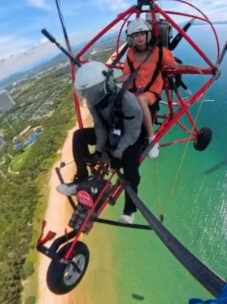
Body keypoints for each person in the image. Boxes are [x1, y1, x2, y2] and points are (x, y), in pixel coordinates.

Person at [57, 61, 147, 223]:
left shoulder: (129, 103)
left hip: (129, 138)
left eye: (94, 90)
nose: (91, 95)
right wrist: (99, 150)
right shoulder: (94, 102)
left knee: (131, 171)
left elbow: (132, 133)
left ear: (107, 84)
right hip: (110, 132)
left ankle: (129, 211)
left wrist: (117, 153)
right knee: (79, 136)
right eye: (87, 92)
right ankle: (81, 179)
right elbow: (100, 127)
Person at [119, 16, 181, 155]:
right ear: (131, 38)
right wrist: (112, 80)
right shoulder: (131, 53)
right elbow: (128, 75)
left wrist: (200, 69)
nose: (140, 37)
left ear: (148, 35)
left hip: (150, 91)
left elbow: (176, 66)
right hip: (137, 90)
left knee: (140, 101)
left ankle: (151, 138)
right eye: (136, 35)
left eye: (142, 34)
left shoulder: (159, 52)